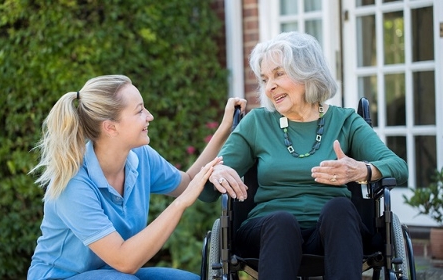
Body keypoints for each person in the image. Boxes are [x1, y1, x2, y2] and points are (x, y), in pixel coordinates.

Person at [199, 32, 408, 279]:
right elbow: (206, 193)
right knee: (282, 222)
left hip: (332, 233)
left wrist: (363, 170)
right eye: (265, 79)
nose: (269, 87)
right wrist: (216, 172)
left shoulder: (345, 121)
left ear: (307, 72)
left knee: (340, 208)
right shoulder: (257, 123)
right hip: (268, 233)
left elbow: (399, 167)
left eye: (279, 74)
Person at [27, 74, 247, 280]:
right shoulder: (73, 184)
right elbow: (125, 261)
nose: (149, 116)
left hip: (113, 273)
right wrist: (181, 203)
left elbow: (188, 182)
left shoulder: (140, 157)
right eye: (140, 110)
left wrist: (225, 128)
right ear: (111, 127)